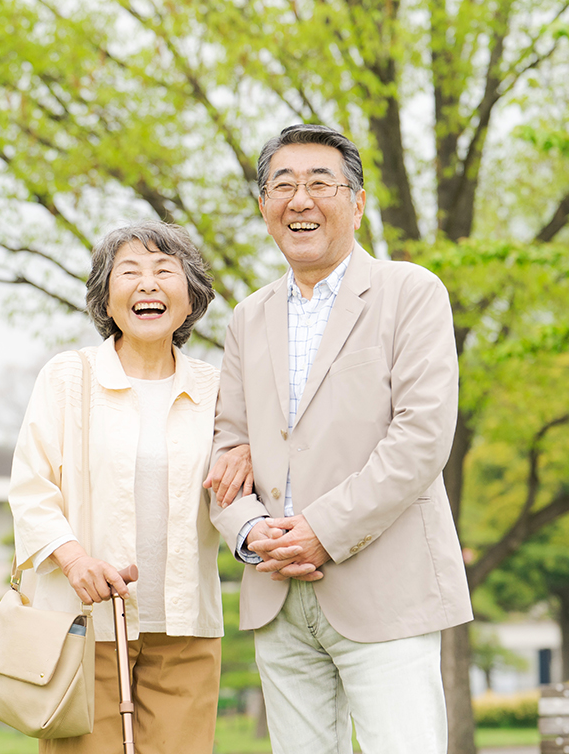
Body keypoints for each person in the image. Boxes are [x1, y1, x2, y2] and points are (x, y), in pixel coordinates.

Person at [204, 124, 472, 754]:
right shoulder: (247, 316)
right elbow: (226, 448)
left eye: (320, 183)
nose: (300, 200)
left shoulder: (410, 291)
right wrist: (248, 532)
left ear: (356, 202)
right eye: (282, 185)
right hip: (276, 590)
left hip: (387, 585)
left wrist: (321, 529)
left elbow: (421, 437)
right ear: (264, 208)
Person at [9, 221, 228, 754]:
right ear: (106, 300)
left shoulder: (219, 388)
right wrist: (76, 559)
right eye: (129, 272)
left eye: (164, 271)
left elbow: (241, 484)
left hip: (186, 623)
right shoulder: (68, 377)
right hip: (84, 624)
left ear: (191, 297)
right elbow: (31, 486)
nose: (147, 284)